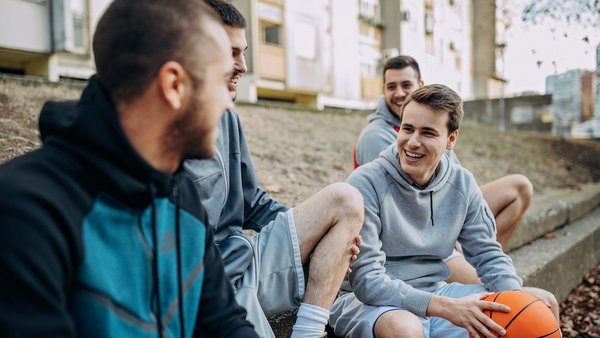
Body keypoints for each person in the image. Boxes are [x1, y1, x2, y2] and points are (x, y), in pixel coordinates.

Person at [0, 0, 258, 337]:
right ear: (174, 86)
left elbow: (225, 324)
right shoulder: (27, 212)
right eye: (222, 79)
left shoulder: (183, 199)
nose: (228, 101)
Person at [183, 1, 364, 337]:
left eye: (244, 52)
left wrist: (316, 232)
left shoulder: (228, 119)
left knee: (346, 200)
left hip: (248, 261)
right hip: (207, 286)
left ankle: (308, 333)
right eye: (232, 53)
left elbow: (253, 202)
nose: (243, 65)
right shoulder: (157, 134)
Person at [330, 84, 557, 338]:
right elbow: (368, 283)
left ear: (451, 139)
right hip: (369, 304)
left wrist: (515, 301)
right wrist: (445, 308)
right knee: (405, 328)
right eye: (407, 129)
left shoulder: (462, 183)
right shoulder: (366, 183)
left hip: (436, 292)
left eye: (427, 133)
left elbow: (488, 254)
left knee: (543, 305)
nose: (413, 142)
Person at [354, 55, 533, 284]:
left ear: (420, 86)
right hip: (410, 241)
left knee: (519, 188)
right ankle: (469, 271)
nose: (399, 93)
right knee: (491, 295)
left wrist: (460, 225)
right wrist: (450, 236)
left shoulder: (440, 123)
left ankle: (479, 263)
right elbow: (396, 206)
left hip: (437, 222)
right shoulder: (375, 136)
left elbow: (453, 182)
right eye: (391, 86)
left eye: (406, 85)